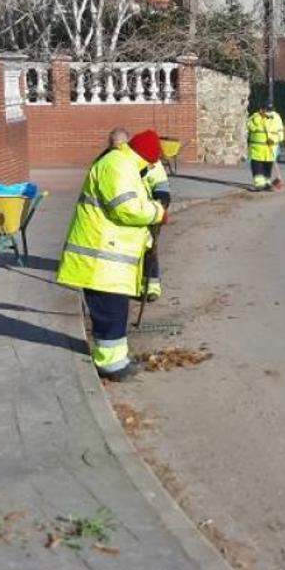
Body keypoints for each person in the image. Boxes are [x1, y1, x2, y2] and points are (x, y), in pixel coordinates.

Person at [58, 129, 167, 382]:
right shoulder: (117, 166)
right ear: (145, 156)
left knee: (115, 311)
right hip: (101, 258)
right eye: (151, 163)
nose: (151, 168)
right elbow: (125, 208)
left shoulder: (126, 165)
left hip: (109, 258)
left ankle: (117, 360)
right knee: (109, 312)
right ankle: (110, 365)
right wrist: (157, 212)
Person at [140, 157, 171, 301]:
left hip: (149, 213)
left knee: (150, 249)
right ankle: (136, 286)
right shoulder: (123, 161)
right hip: (131, 213)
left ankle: (151, 286)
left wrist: (161, 202)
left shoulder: (153, 162)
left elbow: (161, 186)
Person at [246, 102, 285, 191]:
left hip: (270, 148)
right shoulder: (256, 117)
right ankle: (259, 184)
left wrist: (274, 140)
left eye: (270, 110)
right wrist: (259, 118)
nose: (269, 113)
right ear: (262, 110)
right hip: (257, 148)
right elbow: (250, 126)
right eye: (267, 110)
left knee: (268, 166)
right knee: (257, 166)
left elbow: (280, 133)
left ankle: (267, 183)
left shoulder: (276, 118)